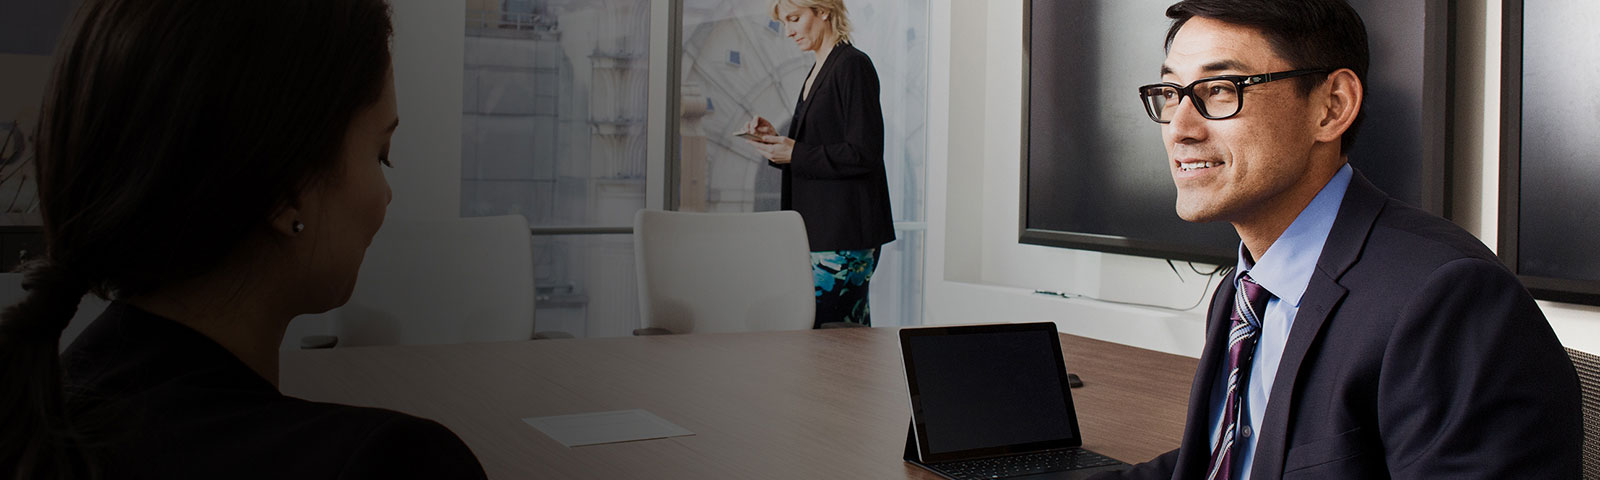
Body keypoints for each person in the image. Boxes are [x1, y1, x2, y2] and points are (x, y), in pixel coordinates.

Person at [0, 0, 488, 478]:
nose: (387, 194)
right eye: (381, 154)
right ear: (286, 191)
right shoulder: (389, 462)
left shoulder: (37, 419)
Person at [1102, 0, 1583, 478]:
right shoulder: (1245, 289)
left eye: (1221, 89)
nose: (1180, 129)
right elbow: (1221, 461)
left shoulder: (1449, 299)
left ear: (1332, 106)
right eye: (1171, 93)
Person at [740, 0, 896, 329]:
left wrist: (795, 153)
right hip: (821, 232)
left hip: (844, 235)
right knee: (830, 339)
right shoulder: (819, 69)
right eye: (784, 22)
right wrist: (776, 141)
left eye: (795, 19)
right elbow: (822, 144)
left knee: (835, 339)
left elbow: (864, 152)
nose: (788, 31)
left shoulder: (852, 65)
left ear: (823, 11)